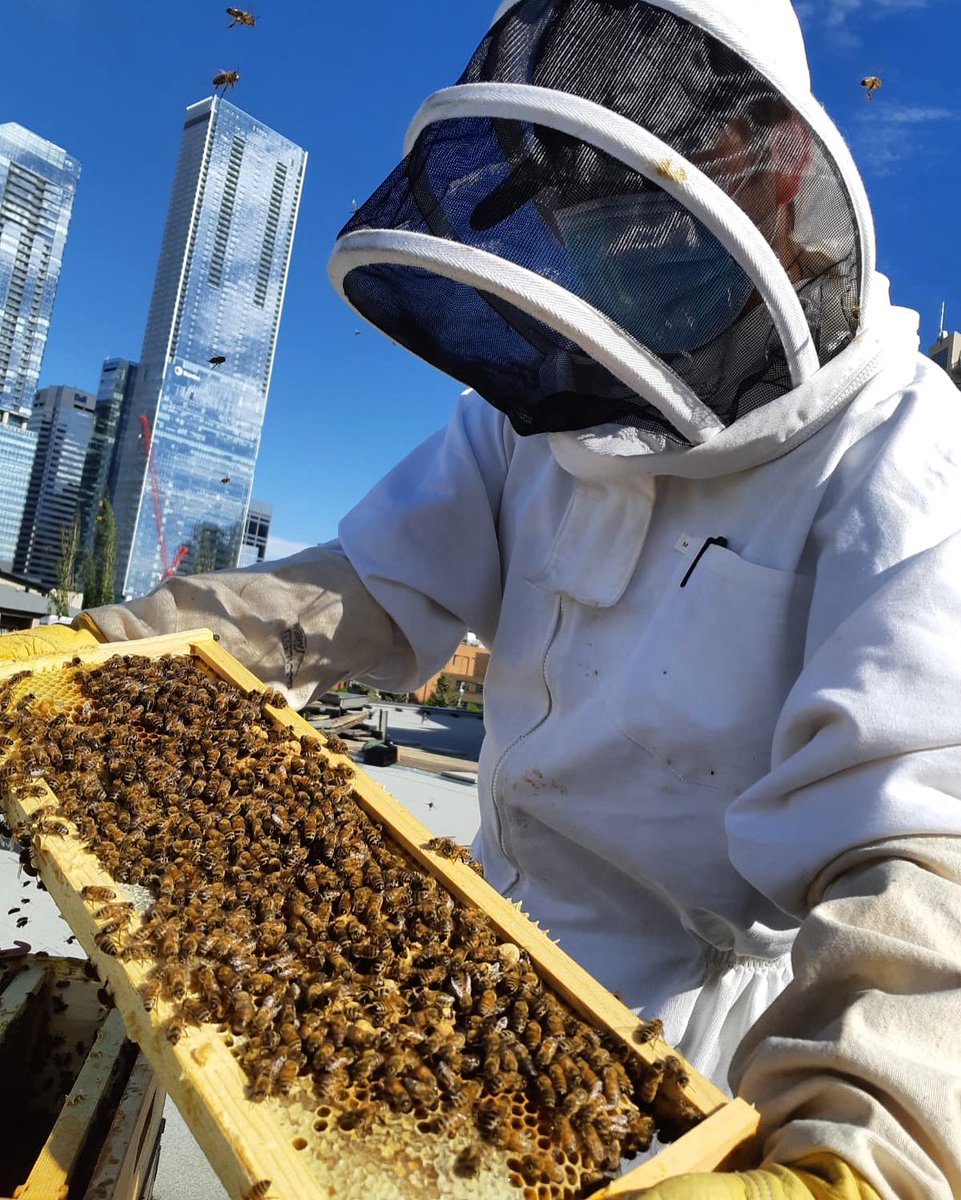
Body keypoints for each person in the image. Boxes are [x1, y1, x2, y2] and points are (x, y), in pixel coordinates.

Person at [22, 1, 961, 1196]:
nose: (611, 246)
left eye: (639, 206)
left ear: (775, 167)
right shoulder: (544, 413)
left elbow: (923, 852)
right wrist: (132, 645)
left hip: (669, 1052)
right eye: (582, 209)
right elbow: (364, 587)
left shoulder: (902, 451)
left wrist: (859, 1147)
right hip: (454, 950)